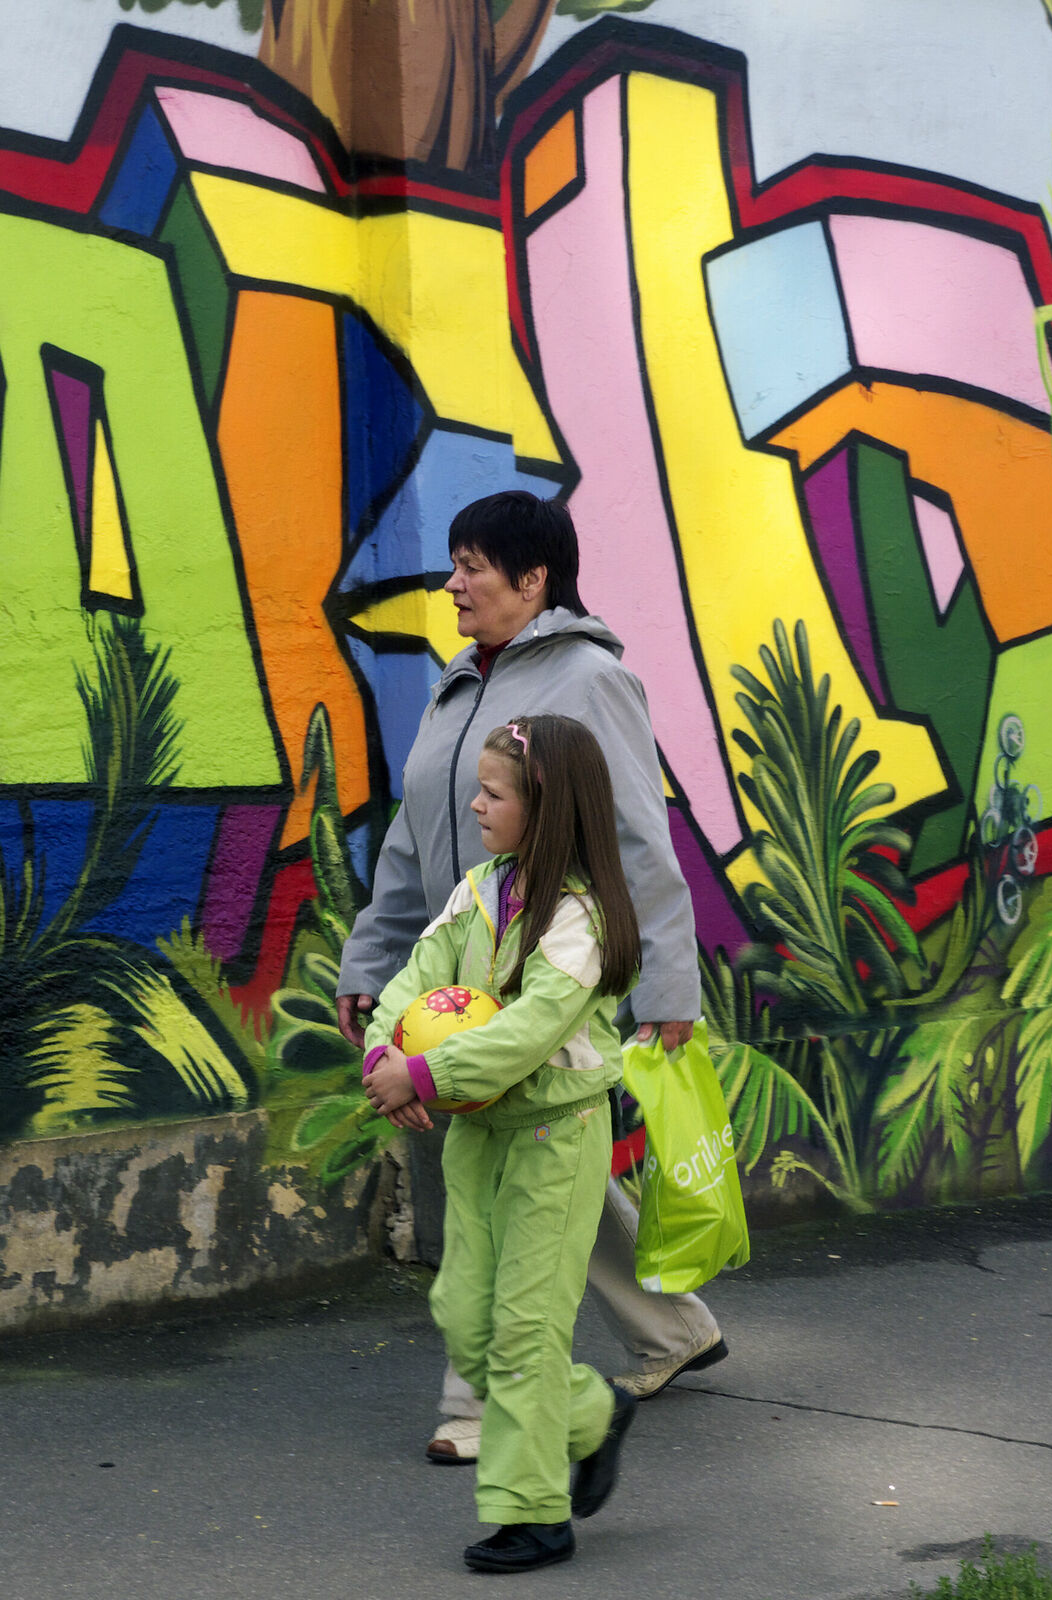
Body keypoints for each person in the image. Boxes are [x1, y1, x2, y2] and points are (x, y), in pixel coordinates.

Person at [333, 491, 724, 1467]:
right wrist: (370, 959)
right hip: (463, 980)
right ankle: (673, 1330)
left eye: (473, 565)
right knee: (540, 1160)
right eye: (455, 563)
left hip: (552, 970)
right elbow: (412, 839)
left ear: (533, 577)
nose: (453, 583)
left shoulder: (591, 679)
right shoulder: (460, 684)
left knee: (501, 1186)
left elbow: (640, 832)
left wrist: (670, 983)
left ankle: (478, 1411)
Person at [363, 715, 642, 1572]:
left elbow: (526, 1033)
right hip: (480, 1136)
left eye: (493, 793)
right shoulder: (480, 891)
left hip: (557, 1138)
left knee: (524, 1331)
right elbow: (417, 976)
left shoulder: (581, 920)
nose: (476, 804)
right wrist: (384, 1052)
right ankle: (592, 1412)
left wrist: (425, 1074)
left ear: (545, 809)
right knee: (464, 1316)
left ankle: (534, 1515)